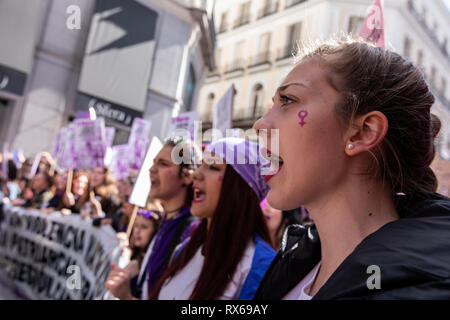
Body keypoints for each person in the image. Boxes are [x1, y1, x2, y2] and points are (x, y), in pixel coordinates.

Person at [252, 37, 450, 300]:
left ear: (362, 133)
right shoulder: (294, 262)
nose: (260, 124)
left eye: (288, 100)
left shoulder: (422, 289)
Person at [149, 138, 276, 300]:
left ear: (242, 188)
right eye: (200, 165)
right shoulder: (185, 248)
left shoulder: (260, 266)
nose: (195, 174)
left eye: (213, 167)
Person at [105, 138, 199, 300]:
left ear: (187, 176)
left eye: (163, 164)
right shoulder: (166, 222)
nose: (151, 169)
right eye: (154, 162)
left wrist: (126, 297)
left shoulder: (190, 233)